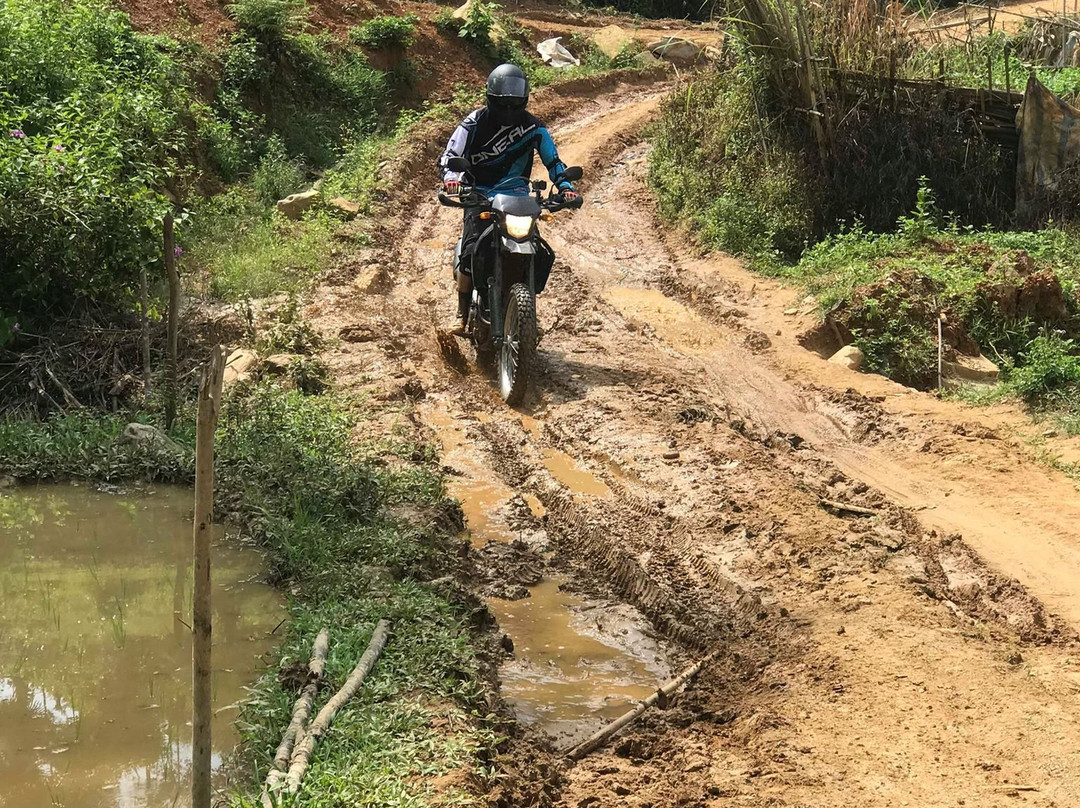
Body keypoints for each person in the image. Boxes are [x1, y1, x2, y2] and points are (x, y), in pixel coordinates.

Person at [439, 63, 579, 325]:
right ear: (491, 99)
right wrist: (452, 181)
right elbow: (450, 157)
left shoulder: (533, 128)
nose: (509, 110)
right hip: (478, 194)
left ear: (524, 101)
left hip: (518, 198)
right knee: (470, 250)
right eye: (504, 104)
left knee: (536, 248)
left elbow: (554, 162)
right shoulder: (473, 123)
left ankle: (527, 314)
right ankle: (461, 311)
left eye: (515, 105)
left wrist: (566, 188)